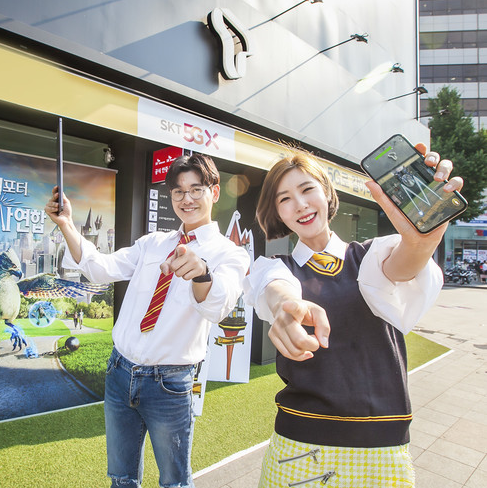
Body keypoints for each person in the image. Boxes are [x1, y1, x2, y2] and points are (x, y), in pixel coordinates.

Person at [242, 144, 463, 487]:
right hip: (299, 445)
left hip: (383, 449)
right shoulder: (274, 267)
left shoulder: (372, 256)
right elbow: (275, 288)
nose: (299, 204)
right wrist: (286, 307)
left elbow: (402, 266)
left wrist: (421, 241)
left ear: (327, 194)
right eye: (285, 199)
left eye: (307, 189)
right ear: (278, 213)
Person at [45, 153, 249, 488]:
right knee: (121, 478)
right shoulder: (153, 243)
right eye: (178, 191)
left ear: (214, 192)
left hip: (169, 384)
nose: (186, 199)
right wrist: (66, 223)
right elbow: (99, 268)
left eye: (196, 190)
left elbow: (217, 307)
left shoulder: (230, 253)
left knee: (174, 482)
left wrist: (202, 273)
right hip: (119, 371)